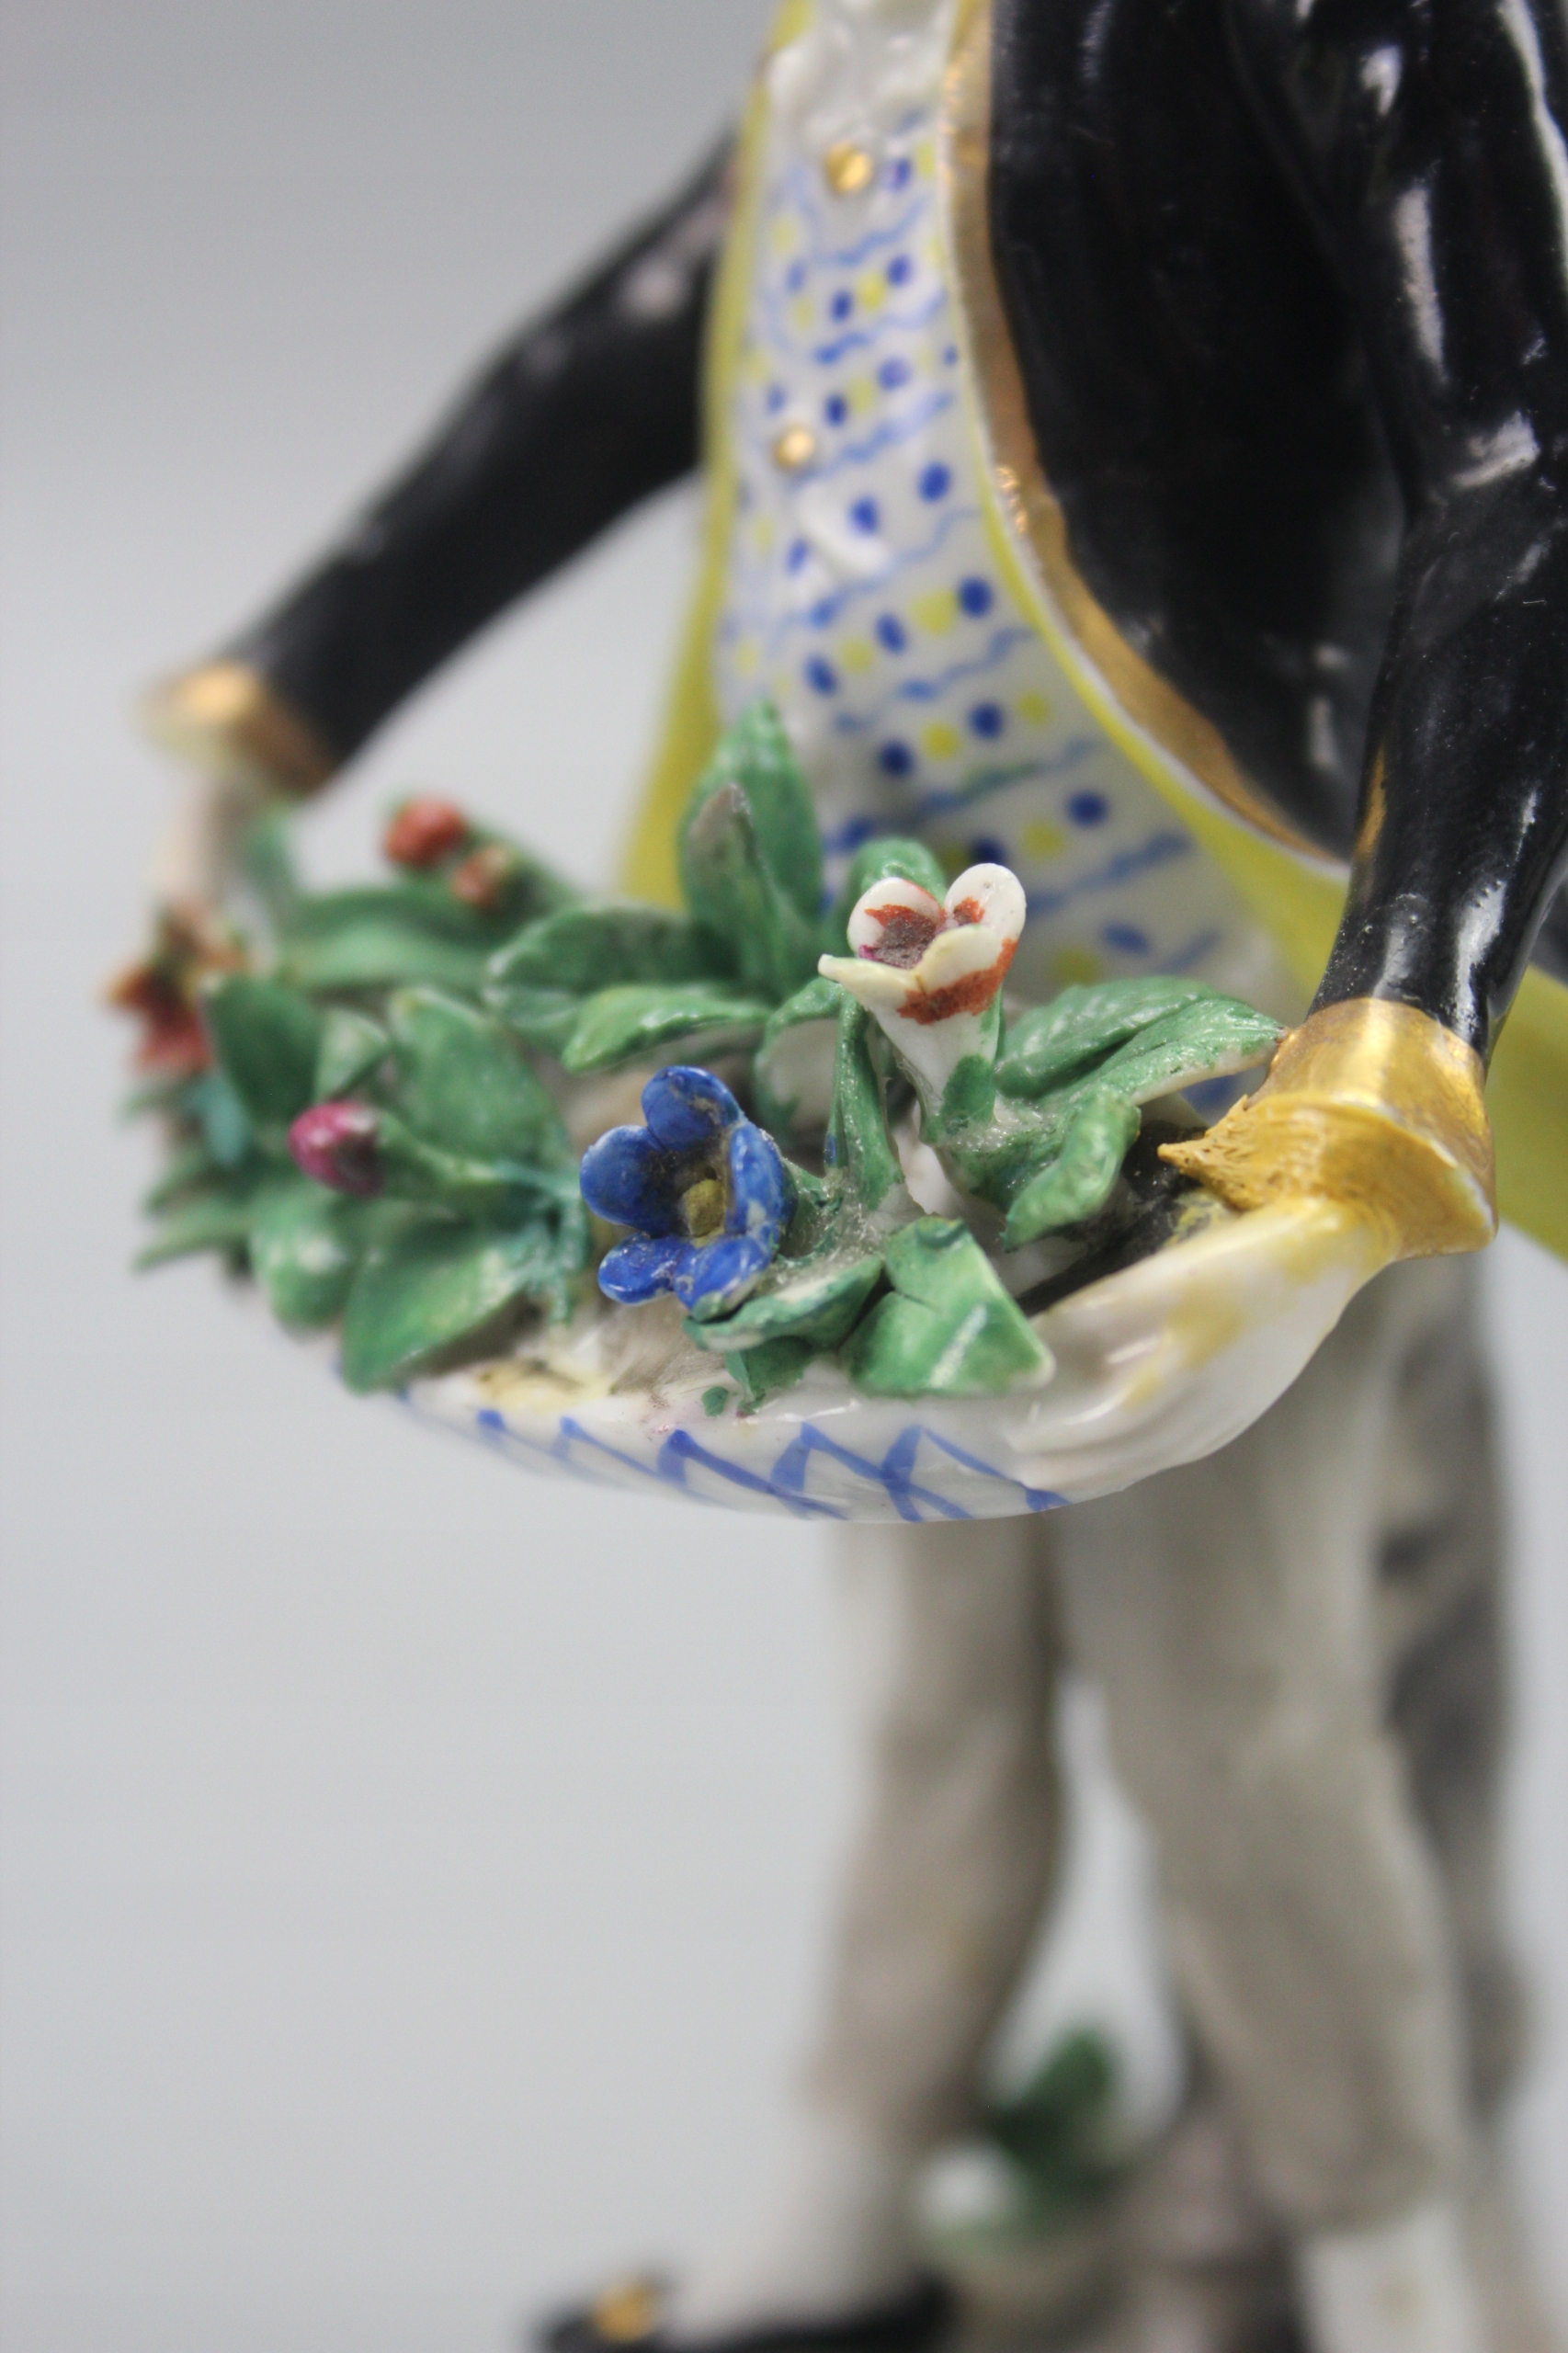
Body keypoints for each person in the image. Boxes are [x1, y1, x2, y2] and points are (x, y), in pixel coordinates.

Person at [133, 4, 1568, 2346]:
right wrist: (280, 698)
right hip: (871, 1029)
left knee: (1236, 1714)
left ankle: (1392, 2265)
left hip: (1231, 1023)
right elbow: (623, 353)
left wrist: (1391, 1034)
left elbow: (1521, 472)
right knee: (926, 1688)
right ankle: (841, 2218)